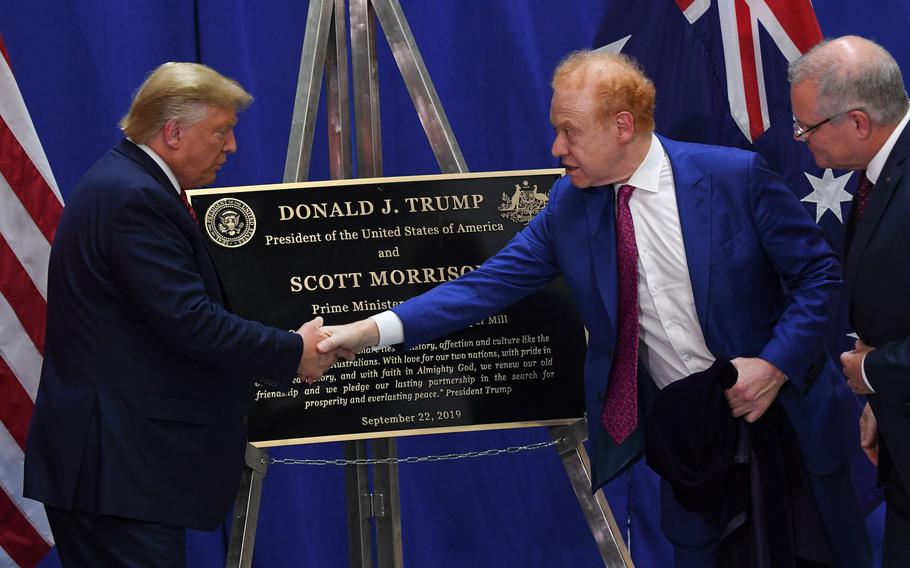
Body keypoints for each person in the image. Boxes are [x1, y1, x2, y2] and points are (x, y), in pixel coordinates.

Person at [318, 50, 871, 566]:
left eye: (569, 132)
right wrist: (369, 332)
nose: (556, 148)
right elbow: (483, 287)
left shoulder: (732, 177)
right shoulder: (570, 206)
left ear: (623, 127)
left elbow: (819, 275)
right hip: (694, 446)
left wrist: (774, 365)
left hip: (790, 424)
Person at [23, 62, 350, 566]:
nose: (233, 146)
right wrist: (292, 351)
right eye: (221, 131)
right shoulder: (134, 199)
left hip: (117, 471)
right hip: (117, 473)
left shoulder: (127, 184)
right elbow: (190, 321)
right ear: (173, 132)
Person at [790, 35, 910, 566]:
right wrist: (881, 403)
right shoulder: (877, 176)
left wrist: (876, 372)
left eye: (808, 127)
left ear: (858, 122)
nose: (799, 139)